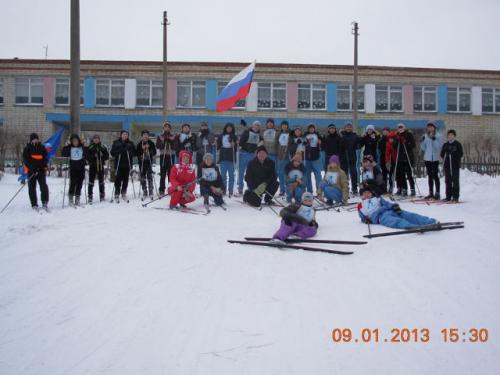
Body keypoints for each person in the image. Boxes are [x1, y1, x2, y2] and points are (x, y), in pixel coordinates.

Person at [357, 184, 436, 229]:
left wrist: (394, 206)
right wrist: (365, 220)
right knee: (395, 221)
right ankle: (412, 226)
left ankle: (428, 221)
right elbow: (362, 217)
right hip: (380, 217)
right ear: (361, 195)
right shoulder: (361, 205)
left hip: (390, 210)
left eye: (368, 192)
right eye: (364, 193)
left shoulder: (377, 199)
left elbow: (387, 203)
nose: (367, 194)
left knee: (408, 215)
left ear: (371, 193)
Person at [22, 133, 49, 210]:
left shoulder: (42, 147)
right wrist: (31, 168)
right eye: (34, 139)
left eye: (36, 139)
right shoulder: (27, 148)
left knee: (43, 186)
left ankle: (45, 202)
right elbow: (25, 160)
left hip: (40, 170)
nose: (35, 140)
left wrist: (42, 166)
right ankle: (34, 203)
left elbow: (45, 158)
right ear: (31, 140)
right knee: (31, 187)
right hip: (31, 171)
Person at [61, 134, 88, 206]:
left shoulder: (81, 146)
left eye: (76, 141)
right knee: (73, 183)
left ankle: (77, 198)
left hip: (81, 167)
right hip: (73, 168)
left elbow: (87, 153)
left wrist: (84, 145)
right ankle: (70, 198)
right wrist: (66, 146)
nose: (75, 142)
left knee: (79, 183)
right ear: (71, 142)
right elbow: (64, 154)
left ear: (78, 141)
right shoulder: (70, 147)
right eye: (73, 141)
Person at [110, 130, 136, 202]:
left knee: (125, 179)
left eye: (126, 134)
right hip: (118, 164)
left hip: (127, 164)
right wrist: (119, 151)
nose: (125, 136)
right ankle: (117, 192)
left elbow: (134, 153)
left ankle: (123, 192)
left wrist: (129, 151)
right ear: (121, 135)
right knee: (118, 179)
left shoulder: (130, 143)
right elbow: (112, 153)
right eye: (124, 134)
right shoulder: (116, 142)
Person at [238, 120, 262, 194]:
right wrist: (248, 147)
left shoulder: (259, 135)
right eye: (255, 125)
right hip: (244, 154)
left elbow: (260, 144)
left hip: (252, 155)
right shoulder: (246, 132)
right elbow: (241, 142)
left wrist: (256, 150)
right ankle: (240, 188)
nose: (257, 126)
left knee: (251, 173)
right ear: (252, 125)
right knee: (241, 172)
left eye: (258, 125)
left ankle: (250, 187)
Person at [420, 121, 443, 200]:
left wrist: (434, 139)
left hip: (435, 158)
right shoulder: (425, 136)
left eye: (431, 126)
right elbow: (423, 148)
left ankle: (437, 193)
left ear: (434, 127)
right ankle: (430, 192)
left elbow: (438, 147)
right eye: (428, 127)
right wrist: (422, 141)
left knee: (435, 175)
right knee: (430, 176)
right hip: (427, 158)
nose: (430, 128)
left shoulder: (438, 136)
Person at [441, 129, 463, 202]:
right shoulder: (445, 144)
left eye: (452, 135)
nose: (450, 136)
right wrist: (445, 150)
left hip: (455, 166)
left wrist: (454, 152)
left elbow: (461, 154)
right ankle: (448, 196)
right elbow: (442, 154)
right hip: (447, 166)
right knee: (448, 181)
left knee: (455, 181)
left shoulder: (458, 144)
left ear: (454, 136)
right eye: (449, 135)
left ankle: (455, 197)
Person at [394, 123, 416, 196]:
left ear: (404, 128)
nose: (400, 129)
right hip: (400, 158)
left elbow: (413, 145)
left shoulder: (408, 134)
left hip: (408, 157)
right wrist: (397, 141)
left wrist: (406, 143)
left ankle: (412, 189)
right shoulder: (397, 135)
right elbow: (395, 146)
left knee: (409, 174)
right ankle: (404, 189)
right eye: (399, 128)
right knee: (401, 175)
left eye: (401, 127)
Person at [217, 122, 238, 197]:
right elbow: (218, 146)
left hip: (231, 158)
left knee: (231, 176)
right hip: (223, 157)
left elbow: (236, 149)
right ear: (225, 128)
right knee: (223, 176)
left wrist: (234, 144)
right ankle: (223, 190)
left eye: (230, 128)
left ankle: (231, 190)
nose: (229, 129)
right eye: (228, 128)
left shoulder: (234, 136)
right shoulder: (221, 136)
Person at [86, 134, 109, 203]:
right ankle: (90, 196)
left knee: (101, 181)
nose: (96, 140)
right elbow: (87, 156)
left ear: (99, 139)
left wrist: (102, 156)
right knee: (91, 181)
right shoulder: (90, 147)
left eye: (97, 138)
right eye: (95, 138)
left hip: (101, 166)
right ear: (93, 140)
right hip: (93, 166)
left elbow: (107, 156)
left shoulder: (102, 146)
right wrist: (93, 156)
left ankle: (102, 195)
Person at [339, 122, 361, 195]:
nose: (349, 128)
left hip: (352, 157)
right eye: (347, 127)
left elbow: (359, 144)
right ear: (345, 128)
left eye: (350, 127)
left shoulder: (354, 136)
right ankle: (345, 188)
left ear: (352, 128)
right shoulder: (342, 135)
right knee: (344, 174)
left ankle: (354, 189)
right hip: (343, 157)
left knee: (353, 173)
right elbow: (339, 145)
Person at [156, 122, 176, 195]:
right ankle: (161, 189)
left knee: (171, 173)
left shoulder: (173, 136)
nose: (167, 128)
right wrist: (163, 142)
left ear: (170, 128)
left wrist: (171, 142)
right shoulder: (160, 136)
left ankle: (171, 188)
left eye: (168, 127)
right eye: (165, 127)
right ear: (163, 128)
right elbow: (157, 146)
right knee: (163, 173)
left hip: (171, 155)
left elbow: (175, 146)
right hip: (163, 155)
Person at [136, 129, 157, 200]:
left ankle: (151, 191)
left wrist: (149, 150)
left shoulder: (151, 143)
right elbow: (137, 153)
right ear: (142, 136)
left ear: (148, 136)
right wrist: (142, 149)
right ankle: (144, 190)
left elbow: (154, 152)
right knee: (142, 177)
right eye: (144, 135)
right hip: (141, 163)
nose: (145, 136)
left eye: (147, 135)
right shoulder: (139, 144)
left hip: (149, 162)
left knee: (149, 176)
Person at [304, 123, 323, 193]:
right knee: (307, 176)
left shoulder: (317, 135)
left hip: (315, 157)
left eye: (313, 128)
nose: (311, 129)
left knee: (318, 175)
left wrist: (320, 142)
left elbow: (322, 142)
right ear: (308, 129)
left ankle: (319, 191)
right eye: (310, 128)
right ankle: (309, 191)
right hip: (307, 158)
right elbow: (302, 143)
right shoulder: (305, 135)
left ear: (314, 129)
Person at [276, 120, 291, 196]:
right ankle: (282, 190)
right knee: (280, 174)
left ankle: (289, 190)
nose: (284, 126)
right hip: (280, 156)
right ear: (281, 126)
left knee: (287, 174)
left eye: (286, 125)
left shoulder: (290, 134)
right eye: (283, 125)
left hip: (287, 157)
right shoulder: (279, 134)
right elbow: (276, 144)